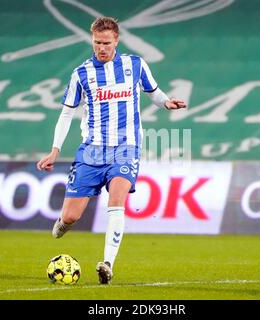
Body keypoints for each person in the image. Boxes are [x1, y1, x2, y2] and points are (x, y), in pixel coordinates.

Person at [36, 17, 186, 284]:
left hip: (125, 148)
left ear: (116, 40)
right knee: (71, 216)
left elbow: (154, 92)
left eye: (106, 43)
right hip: (92, 151)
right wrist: (55, 150)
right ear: (92, 40)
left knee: (116, 201)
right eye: (96, 43)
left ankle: (107, 264)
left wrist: (167, 103)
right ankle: (63, 223)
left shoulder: (135, 65)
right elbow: (66, 114)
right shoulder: (81, 74)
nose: (101, 48)